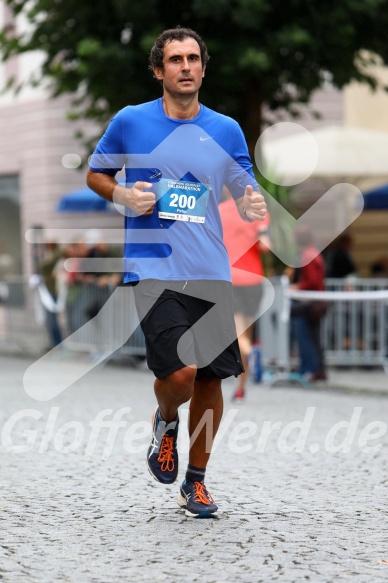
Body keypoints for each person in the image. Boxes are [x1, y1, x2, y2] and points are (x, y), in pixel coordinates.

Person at [86, 26, 266, 518]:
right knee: (181, 373)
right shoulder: (130, 121)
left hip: (210, 270)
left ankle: (197, 482)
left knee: (210, 381)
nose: (185, 67)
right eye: (174, 60)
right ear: (158, 70)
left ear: (204, 68)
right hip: (153, 266)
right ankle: (166, 420)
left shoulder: (226, 128)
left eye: (193, 59)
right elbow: (96, 173)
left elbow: (245, 188)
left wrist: (252, 203)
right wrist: (122, 194)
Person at [219, 191, 270, 401]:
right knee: (245, 335)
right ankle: (241, 387)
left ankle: (251, 353)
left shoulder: (219, 212)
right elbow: (266, 246)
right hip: (254, 280)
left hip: (229, 279)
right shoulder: (258, 210)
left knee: (238, 335)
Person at [289, 226, 327, 382]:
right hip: (316, 303)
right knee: (314, 338)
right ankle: (318, 370)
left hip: (308, 304)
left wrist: (296, 287)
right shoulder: (315, 253)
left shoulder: (307, 255)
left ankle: (310, 369)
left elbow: (311, 281)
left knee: (306, 338)